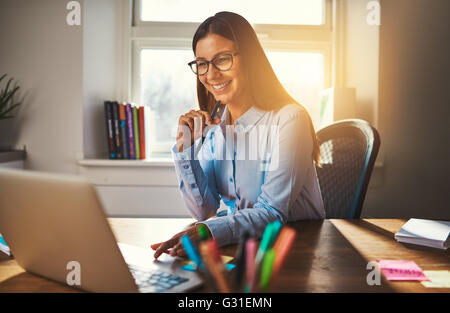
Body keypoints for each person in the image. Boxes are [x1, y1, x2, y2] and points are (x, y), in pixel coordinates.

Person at [151, 11, 325, 259]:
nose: (211, 75)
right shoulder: (215, 129)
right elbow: (204, 210)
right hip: (244, 251)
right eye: (202, 63)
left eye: (222, 59)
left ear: (251, 59)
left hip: (296, 253)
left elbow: (272, 213)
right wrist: (184, 150)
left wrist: (207, 232)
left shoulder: (290, 119)